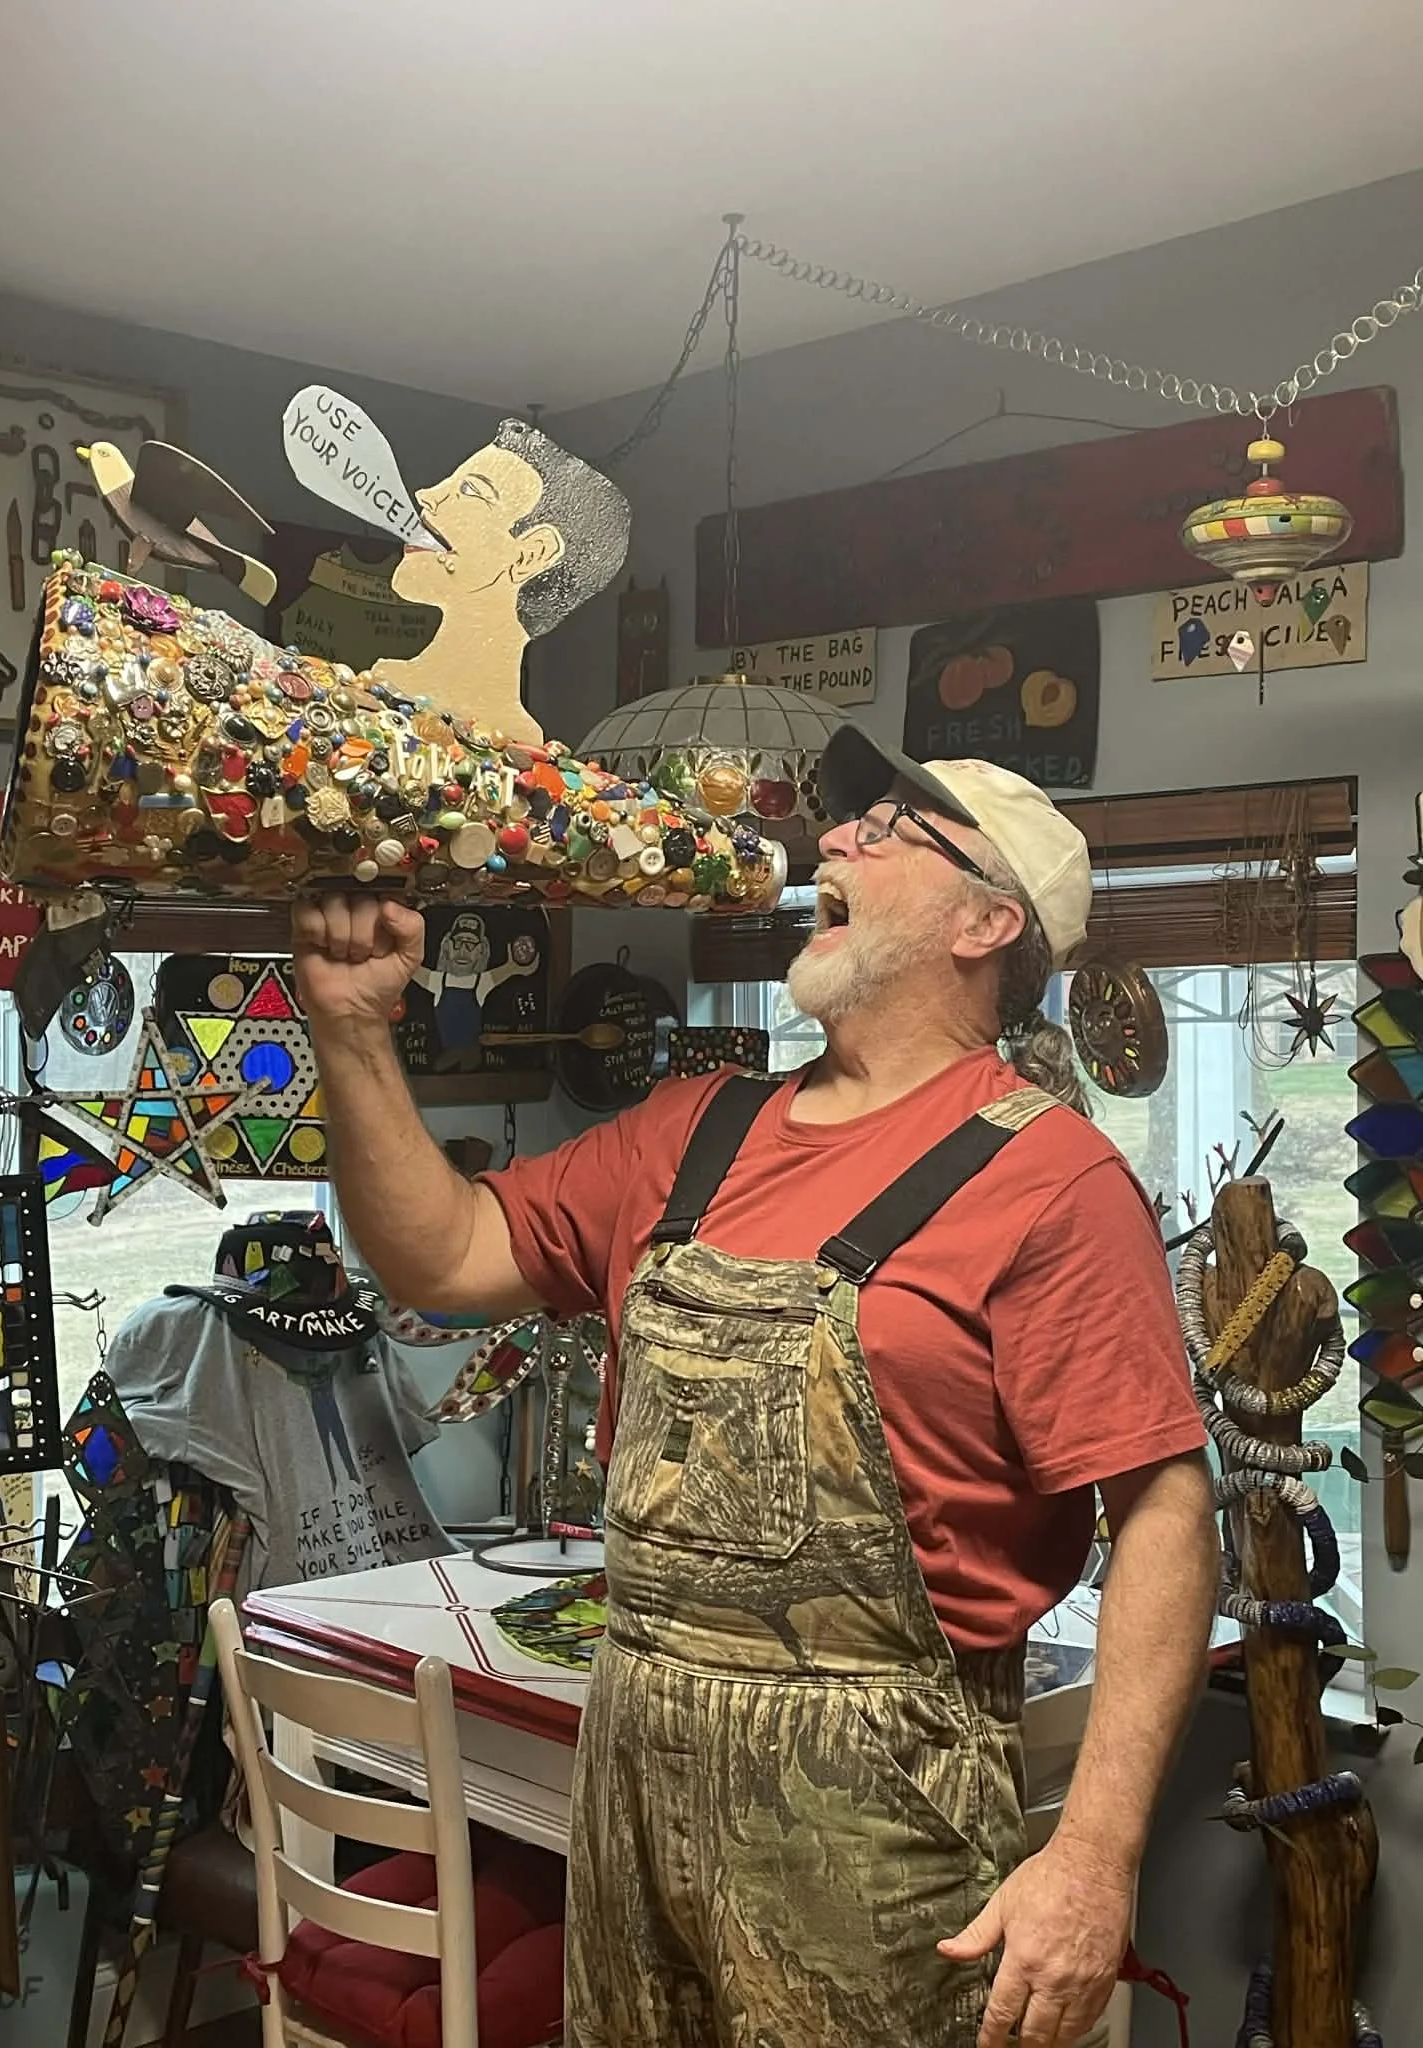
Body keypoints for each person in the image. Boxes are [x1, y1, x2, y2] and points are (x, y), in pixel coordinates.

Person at [292, 721, 1220, 2048]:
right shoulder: (692, 1128)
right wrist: (351, 1030)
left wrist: (1095, 1856)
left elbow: (1169, 1516)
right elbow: (443, 1252)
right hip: (630, 1762)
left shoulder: (1052, 1184)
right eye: (848, 822)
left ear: (986, 922)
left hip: (880, 1800)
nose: (833, 837)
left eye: (887, 830)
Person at [375, 417, 631, 746]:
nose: (427, 495)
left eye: (470, 490)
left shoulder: (520, 748)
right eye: (450, 482)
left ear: (531, 554)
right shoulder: (374, 688)